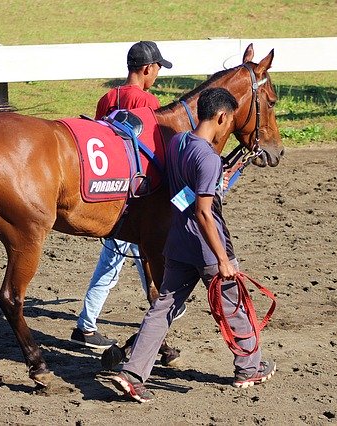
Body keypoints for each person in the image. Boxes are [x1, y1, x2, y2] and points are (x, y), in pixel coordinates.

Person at [110, 88, 276, 403]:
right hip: (207, 245)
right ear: (223, 117)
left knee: (162, 309)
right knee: (233, 303)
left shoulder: (178, 143)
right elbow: (203, 212)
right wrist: (222, 259)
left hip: (178, 241)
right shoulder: (209, 158)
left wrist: (215, 185)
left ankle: (132, 374)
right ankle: (249, 367)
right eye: (229, 122)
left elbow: (183, 195)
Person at [70, 41, 174, 349]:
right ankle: (87, 325)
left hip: (109, 189)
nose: (157, 74)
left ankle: (155, 324)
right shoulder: (148, 102)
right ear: (146, 69)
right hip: (135, 195)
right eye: (157, 69)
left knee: (128, 261)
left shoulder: (107, 98)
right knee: (122, 261)